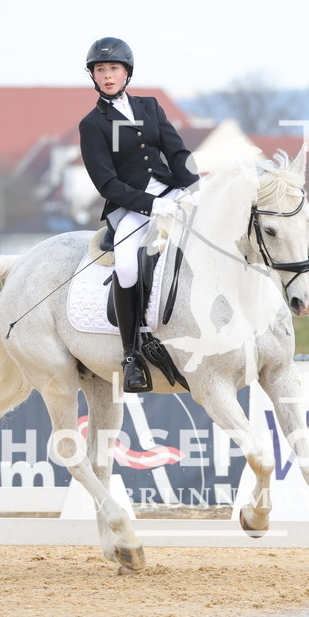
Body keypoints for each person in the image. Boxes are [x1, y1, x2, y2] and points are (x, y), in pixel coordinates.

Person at [78, 36, 199, 393]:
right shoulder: (92, 124)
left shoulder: (150, 106)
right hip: (131, 207)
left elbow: (176, 151)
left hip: (169, 192)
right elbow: (106, 182)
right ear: (94, 77)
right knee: (128, 264)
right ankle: (131, 356)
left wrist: (192, 186)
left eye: (113, 68)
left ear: (127, 72)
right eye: (100, 70)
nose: (107, 75)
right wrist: (149, 205)